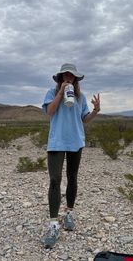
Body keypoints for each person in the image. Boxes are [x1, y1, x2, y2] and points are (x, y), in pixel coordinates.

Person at [42, 63, 100, 248]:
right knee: (54, 180)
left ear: (75, 79)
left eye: (71, 76)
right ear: (60, 78)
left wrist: (95, 111)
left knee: (72, 178)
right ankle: (53, 225)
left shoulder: (80, 97)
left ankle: (68, 214)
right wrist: (61, 93)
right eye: (65, 75)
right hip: (57, 142)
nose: (68, 78)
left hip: (75, 141)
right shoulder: (51, 92)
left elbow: (84, 119)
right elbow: (49, 112)